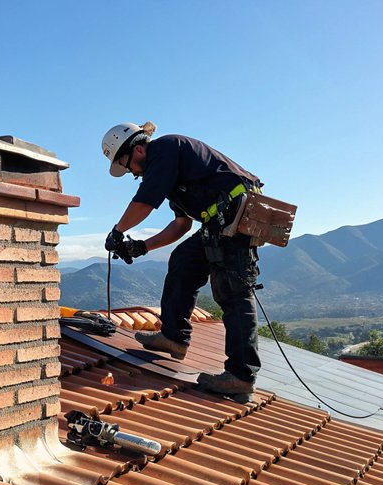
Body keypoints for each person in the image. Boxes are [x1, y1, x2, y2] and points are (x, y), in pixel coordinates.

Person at [101, 121, 263, 403]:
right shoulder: (175, 176)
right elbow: (181, 225)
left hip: (237, 213)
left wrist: (117, 232)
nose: (132, 173)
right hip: (220, 219)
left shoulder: (164, 148)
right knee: (183, 261)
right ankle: (174, 336)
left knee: (232, 291)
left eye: (128, 165)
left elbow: (145, 201)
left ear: (138, 149)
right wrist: (141, 247)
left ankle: (241, 375)